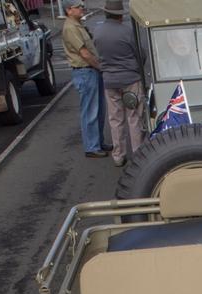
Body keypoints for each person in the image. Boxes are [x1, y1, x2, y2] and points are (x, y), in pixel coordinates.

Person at [94, 0, 144, 168]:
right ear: (120, 15)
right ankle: (137, 153)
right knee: (134, 117)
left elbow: (97, 54)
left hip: (109, 80)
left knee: (115, 119)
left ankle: (118, 155)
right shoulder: (127, 31)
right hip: (130, 79)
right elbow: (140, 54)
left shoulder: (98, 32)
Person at [63, 0, 108, 158]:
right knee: (90, 111)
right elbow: (84, 53)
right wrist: (100, 67)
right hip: (85, 71)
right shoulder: (70, 28)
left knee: (99, 110)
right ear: (69, 10)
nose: (82, 8)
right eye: (78, 7)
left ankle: (98, 142)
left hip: (91, 71)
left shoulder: (78, 25)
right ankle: (92, 146)